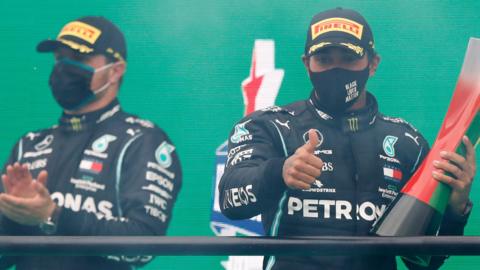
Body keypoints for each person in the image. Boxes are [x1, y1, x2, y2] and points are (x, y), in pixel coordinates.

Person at [219, 7, 476, 270]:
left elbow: (424, 261)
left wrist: (456, 210)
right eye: (324, 59)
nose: (336, 69)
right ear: (307, 64)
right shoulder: (270, 126)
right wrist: (279, 172)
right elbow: (230, 200)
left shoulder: (406, 142)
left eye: (348, 58)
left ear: (373, 63)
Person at [0, 16, 182, 269]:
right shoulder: (29, 144)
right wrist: (13, 217)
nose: (64, 67)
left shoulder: (142, 140)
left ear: (116, 70)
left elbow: (144, 245)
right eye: (59, 58)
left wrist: (53, 215)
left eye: (79, 59)